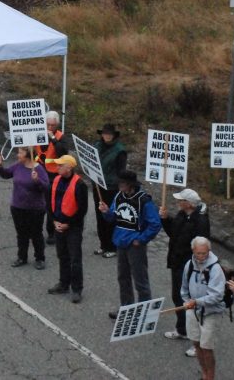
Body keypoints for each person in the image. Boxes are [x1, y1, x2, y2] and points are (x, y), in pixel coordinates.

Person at [100, 169, 161, 318]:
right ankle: (127, 307)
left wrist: (141, 239)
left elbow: (155, 224)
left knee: (140, 279)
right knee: (123, 277)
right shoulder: (119, 196)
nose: (119, 185)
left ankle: (144, 310)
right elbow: (113, 218)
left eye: (122, 183)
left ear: (130, 185)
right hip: (121, 242)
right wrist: (106, 211)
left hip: (135, 245)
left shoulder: (144, 200)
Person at [160, 188, 211, 344]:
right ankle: (182, 329)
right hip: (177, 262)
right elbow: (173, 234)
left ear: (188, 204)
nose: (177, 202)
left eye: (180, 200)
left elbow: (202, 248)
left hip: (189, 267)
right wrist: (165, 219)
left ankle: (197, 339)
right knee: (178, 297)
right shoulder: (182, 216)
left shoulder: (200, 222)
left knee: (190, 301)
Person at [0, 146, 50, 269]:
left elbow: (47, 188)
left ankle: (40, 258)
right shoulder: (18, 165)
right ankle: (22, 257)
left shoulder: (39, 169)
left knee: (36, 234)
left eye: (20, 153)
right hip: (18, 206)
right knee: (21, 234)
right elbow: (6, 174)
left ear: (27, 155)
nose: (17, 155)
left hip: (35, 208)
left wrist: (37, 181)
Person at [181, 236, 227, 380]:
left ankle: (210, 377)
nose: (201, 256)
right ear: (193, 250)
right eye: (198, 253)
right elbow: (184, 287)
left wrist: (196, 302)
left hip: (210, 312)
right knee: (196, 343)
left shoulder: (216, 269)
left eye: (204, 253)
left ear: (209, 250)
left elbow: (217, 296)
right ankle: (204, 373)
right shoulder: (189, 265)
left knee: (206, 347)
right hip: (192, 310)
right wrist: (186, 301)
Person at [46, 155, 88, 303]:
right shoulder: (55, 181)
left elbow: (82, 210)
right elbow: (49, 203)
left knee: (75, 259)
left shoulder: (80, 184)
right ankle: (63, 284)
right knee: (62, 256)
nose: (56, 167)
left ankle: (77, 289)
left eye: (60, 165)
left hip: (73, 228)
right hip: (58, 225)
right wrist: (54, 221)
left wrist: (68, 223)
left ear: (69, 168)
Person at [93, 123, 127, 258]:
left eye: (109, 134)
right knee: (99, 216)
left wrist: (121, 187)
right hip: (98, 185)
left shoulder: (120, 151)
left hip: (112, 188)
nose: (106, 136)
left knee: (111, 217)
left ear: (113, 135)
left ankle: (112, 246)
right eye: (105, 133)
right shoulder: (97, 145)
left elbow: (121, 171)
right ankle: (103, 244)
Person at [34, 110, 67, 244]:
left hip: (53, 175)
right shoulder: (38, 133)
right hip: (39, 172)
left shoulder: (60, 137)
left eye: (52, 125)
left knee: (51, 205)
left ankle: (51, 232)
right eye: (47, 125)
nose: (49, 128)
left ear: (57, 125)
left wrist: (52, 138)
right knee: (37, 204)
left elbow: (63, 153)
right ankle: (35, 231)